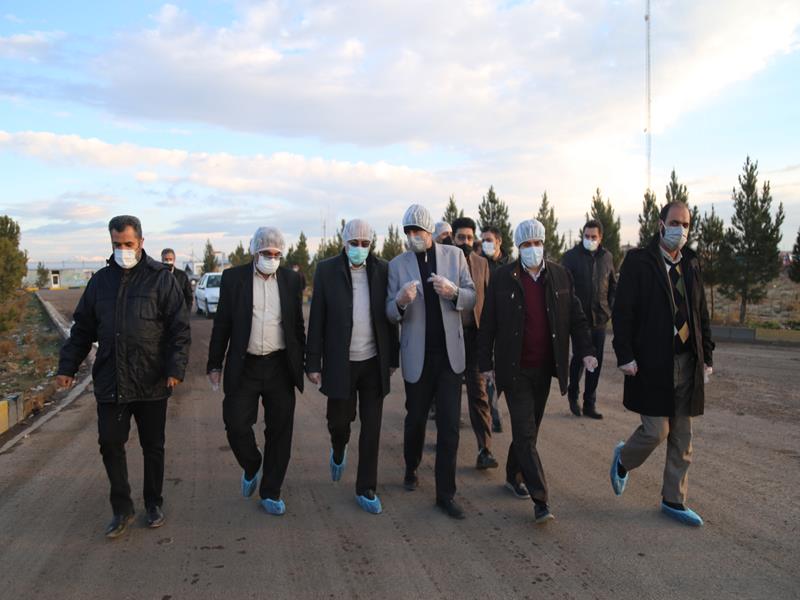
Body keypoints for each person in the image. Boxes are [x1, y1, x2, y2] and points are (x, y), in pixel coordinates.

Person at [56, 215, 191, 539]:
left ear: (141, 242)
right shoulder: (100, 282)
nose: (123, 250)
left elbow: (179, 329)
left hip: (151, 378)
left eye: (128, 244)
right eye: (117, 244)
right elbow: (82, 329)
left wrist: (175, 368)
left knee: (153, 446)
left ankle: (153, 503)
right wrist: (67, 367)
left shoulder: (161, 280)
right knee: (110, 443)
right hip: (111, 378)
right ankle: (122, 508)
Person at [478, 219, 596, 524]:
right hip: (514, 369)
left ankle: (511, 474)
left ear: (544, 244)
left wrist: (586, 351)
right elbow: (488, 323)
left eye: (537, 243)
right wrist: (485, 364)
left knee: (529, 431)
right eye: (527, 244)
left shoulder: (560, 275)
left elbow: (576, 317)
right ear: (518, 247)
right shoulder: (503, 278)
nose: (533, 249)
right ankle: (540, 500)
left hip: (544, 368)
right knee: (526, 433)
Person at [610, 201, 714, 527]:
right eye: (675, 223)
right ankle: (623, 458)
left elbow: (700, 313)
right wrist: (625, 354)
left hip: (687, 361)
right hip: (652, 362)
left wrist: (707, 356)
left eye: (685, 224)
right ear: (660, 224)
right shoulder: (639, 262)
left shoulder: (691, 263)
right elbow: (623, 313)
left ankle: (674, 499)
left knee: (683, 435)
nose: (680, 230)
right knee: (657, 431)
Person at [207, 226, 305, 516]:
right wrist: (214, 363)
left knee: (280, 430)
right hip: (245, 364)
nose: (271, 258)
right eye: (266, 253)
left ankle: (271, 491)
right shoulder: (234, 279)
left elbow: (296, 325)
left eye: (276, 254)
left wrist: (304, 361)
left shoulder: (290, 280)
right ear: (254, 252)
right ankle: (252, 463)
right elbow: (222, 323)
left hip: (279, 365)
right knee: (235, 423)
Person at [386, 204, 476, 519]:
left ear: (430, 232)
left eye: (418, 231)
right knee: (416, 420)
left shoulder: (455, 256)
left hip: (449, 357)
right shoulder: (397, 265)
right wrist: (400, 302)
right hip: (417, 356)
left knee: (450, 427)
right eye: (408, 231)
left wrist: (454, 293)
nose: (412, 236)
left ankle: (445, 494)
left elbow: (471, 296)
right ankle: (411, 466)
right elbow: (389, 311)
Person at [306, 219, 399, 514]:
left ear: (371, 244)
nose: (359, 248)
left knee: (371, 428)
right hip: (340, 363)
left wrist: (392, 358)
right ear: (344, 243)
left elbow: (390, 318)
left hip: (372, 362)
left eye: (365, 243)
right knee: (338, 422)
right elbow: (317, 318)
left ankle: (366, 487)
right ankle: (338, 447)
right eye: (354, 243)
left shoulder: (383, 270)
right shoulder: (327, 270)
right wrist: (313, 362)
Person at [451, 216, 497, 470]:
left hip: (475, 339)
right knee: (448, 395)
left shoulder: (482, 263)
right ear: (453, 238)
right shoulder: (444, 261)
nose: (466, 242)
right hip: (449, 339)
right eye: (461, 237)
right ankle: (447, 445)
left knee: (479, 395)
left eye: (469, 237)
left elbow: (488, 302)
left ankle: (485, 450)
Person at [561, 220, 617, 419]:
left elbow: (612, 286)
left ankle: (589, 404)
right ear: (582, 236)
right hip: (579, 320)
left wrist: (609, 309)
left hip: (599, 318)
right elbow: (564, 288)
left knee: (596, 362)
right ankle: (573, 394)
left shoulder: (607, 257)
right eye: (587, 236)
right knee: (579, 358)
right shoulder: (571, 257)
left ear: (600, 238)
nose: (590, 240)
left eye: (594, 237)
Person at [479, 225, 510, 432]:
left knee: (502, 370)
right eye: (483, 240)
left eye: (489, 240)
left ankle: (492, 408)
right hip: (484, 324)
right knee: (487, 370)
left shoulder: (510, 265)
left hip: (505, 325)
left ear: (499, 241)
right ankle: (492, 414)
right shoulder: (478, 264)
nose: (485, 244)